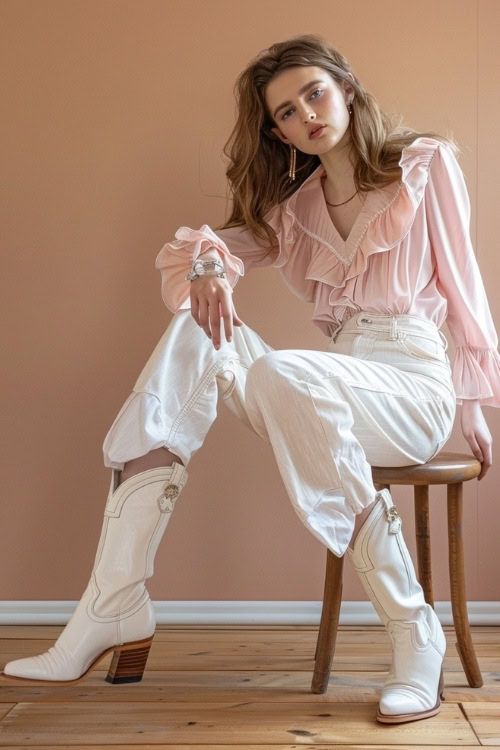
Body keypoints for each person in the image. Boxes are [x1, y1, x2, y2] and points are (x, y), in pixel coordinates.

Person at [1, 33, 498, 725]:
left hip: (411, 386)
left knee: (288, 372)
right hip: (323, 384)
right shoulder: (297, 209)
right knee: (196, 332)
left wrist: (478, 402)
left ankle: (413, 632)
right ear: (278, 131)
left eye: (314, 94)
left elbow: (467, 291)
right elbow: (209, 248)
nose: (307, 115)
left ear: (345, 89)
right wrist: (207, 270)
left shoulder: (424, 165)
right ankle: (113, 600)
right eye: (287, 112)